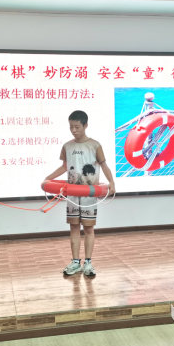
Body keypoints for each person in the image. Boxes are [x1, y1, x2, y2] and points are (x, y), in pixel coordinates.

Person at [45, 111, 115, 276]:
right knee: (74, 227)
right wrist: (48, 179)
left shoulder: (95, 145)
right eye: (71, 127)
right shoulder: (67, 146)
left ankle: (88, 263)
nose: (73, 130)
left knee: (88, 228)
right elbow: (64, 167)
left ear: (85, 126)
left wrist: (111, 182)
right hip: (72, 194)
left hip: (89, 194)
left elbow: (103, 165)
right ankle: (75, 262)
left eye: (77, 127)